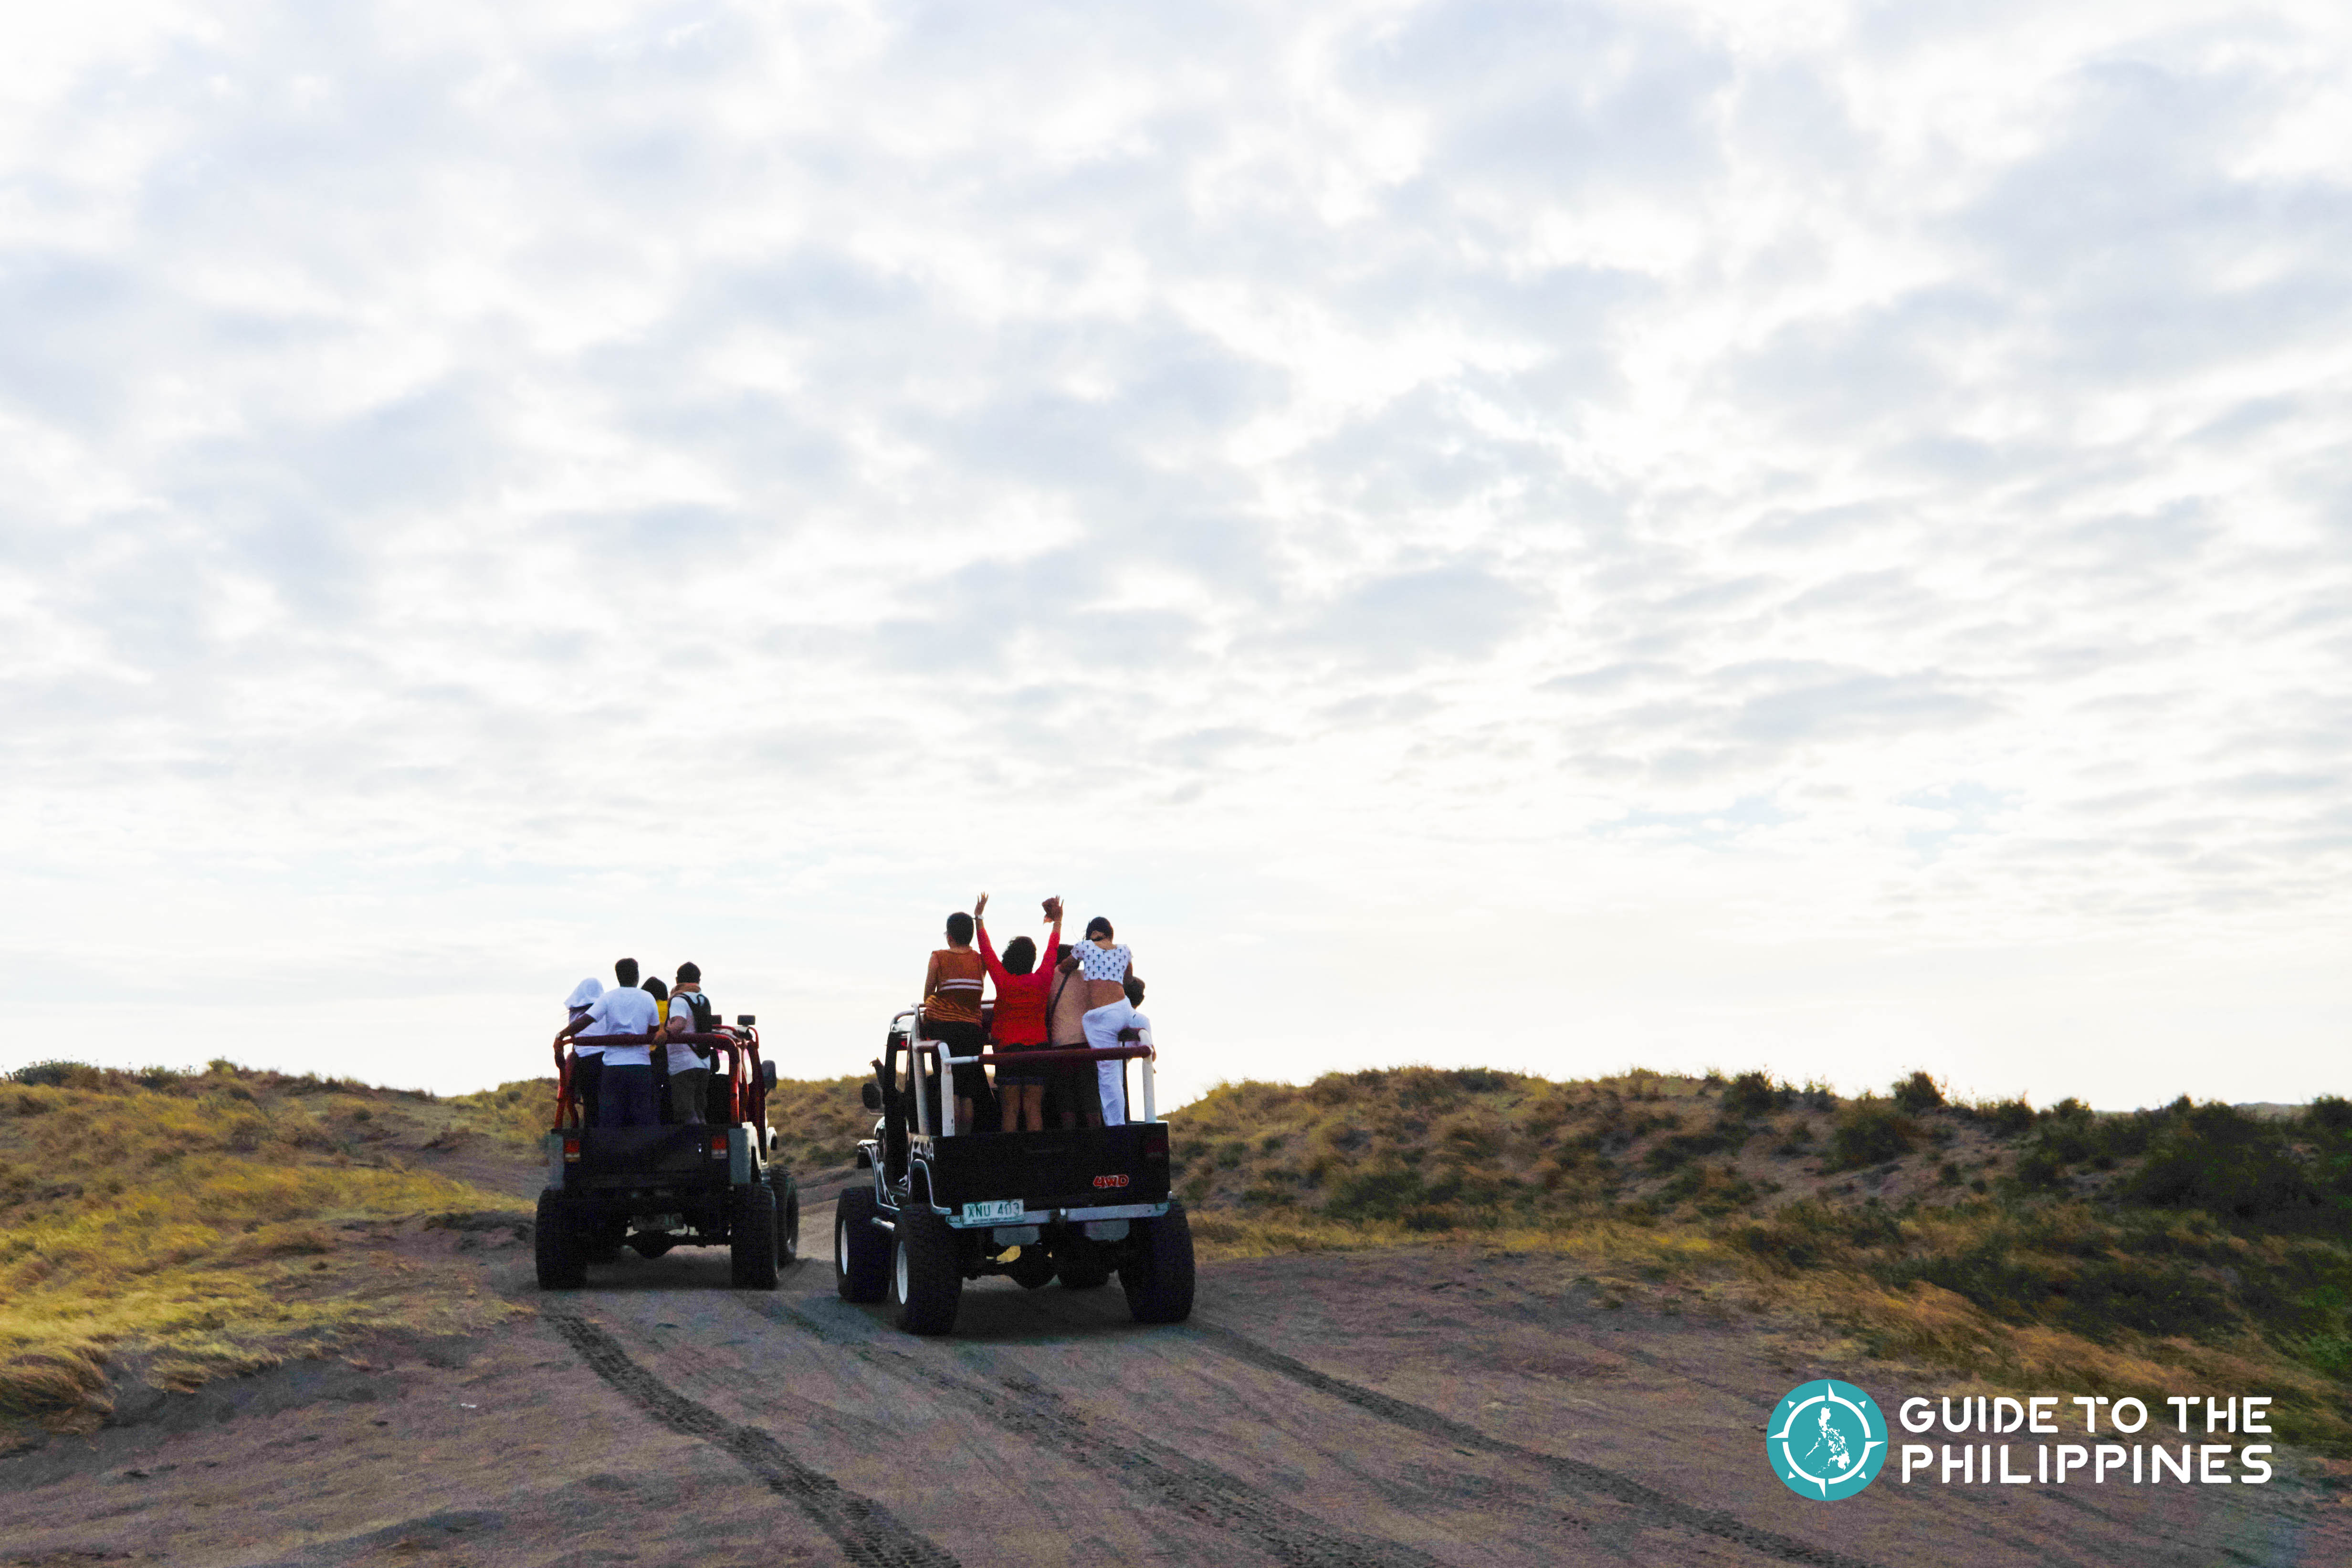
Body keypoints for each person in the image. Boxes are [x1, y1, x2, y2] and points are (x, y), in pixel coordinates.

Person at [973, 893, 1062, 1133]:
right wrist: (1058, 922)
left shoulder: (1004, 981)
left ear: (1010, 958)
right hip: (1037, 1049)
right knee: (1034, 1109)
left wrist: (978, 917)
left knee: (1010, 1109)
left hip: (1008, 1051)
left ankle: (1010, 1162)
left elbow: (987, 951)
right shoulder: (1043, 979)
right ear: (1032, 959)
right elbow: (1052, 951)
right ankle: (1036, 1161)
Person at [553, 957, 662, 1126]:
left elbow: (585, 1021)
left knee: (611, 1118)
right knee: (642, 1116)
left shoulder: (608, 999)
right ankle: (643, 1150)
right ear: (637, 976)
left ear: (618, 976)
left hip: (613, 1067)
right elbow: (654, 1031)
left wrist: (561, 1035)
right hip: (641, 1065)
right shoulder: (648, 998)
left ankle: (609, 1150)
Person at [1062, 916, 1142, 1124]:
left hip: (1105, 1016)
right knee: (1141, 1024)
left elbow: (1064, 967)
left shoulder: (1084, 947)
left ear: (1090, 933)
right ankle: (1148, 1046)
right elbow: (1128, 980)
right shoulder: (1124, 950)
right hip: (1123, 1008)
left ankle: (1117, 1126)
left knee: (1109, 1074)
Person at [920, 911, 992, 1134]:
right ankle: (966, 1139)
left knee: (950, 1088)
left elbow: (927, 995)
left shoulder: (938, 958)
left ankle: (952, 1139)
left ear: (949, 936)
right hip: (972, 1032)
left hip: (945, 1032)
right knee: (968, 1090)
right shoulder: (980, 960)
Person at [1044, 933, 1097, 1127]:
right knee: (1090, 1096)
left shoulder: (1052, 977)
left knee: (1066, 1100)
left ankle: (1071, 1142)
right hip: (1087, 1043)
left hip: (1061, 1044)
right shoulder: (1087, 977)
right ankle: (1097, 1142)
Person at [664, 961, 716, 1124]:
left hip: (683, 1064)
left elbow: (679, 1023)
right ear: (699, 980)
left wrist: (664, 1033)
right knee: (700, 1110)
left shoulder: (679, 999)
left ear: (677, 980)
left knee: (685, 1112)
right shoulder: (703, 999)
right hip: (703, 1062)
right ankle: (704, 1146)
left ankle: (693, 1146)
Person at [562, 978, 605, 1127]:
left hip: (585, 1062)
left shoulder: (575, 1013)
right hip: (607, 1060)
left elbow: (574, 1038)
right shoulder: (604, 1009)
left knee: (591, 1103)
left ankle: (591, 1139)